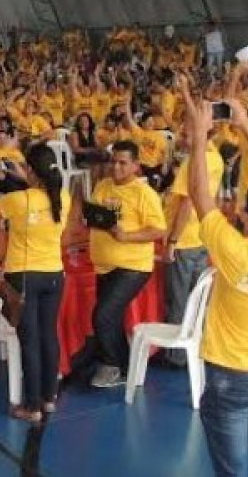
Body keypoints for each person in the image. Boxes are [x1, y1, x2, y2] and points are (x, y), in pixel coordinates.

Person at [184, 80, 248, 476]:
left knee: (234, 468)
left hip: (232, 372)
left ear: (245, 217)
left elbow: (200, 196)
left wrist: (198, 141)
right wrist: (244, 124)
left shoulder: (236, 252)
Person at [0, 143, 71, 421]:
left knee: (29, 340)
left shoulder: (19, 200)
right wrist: (25, 175)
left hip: (24, 277)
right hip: (54, 274)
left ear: (31, 170)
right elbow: (37, 193)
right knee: (48, 335)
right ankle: (49, 397)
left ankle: (31, 406)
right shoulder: (62, 197)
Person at [88, 140, 166, 387]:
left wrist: (127, 236)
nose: (117, 168)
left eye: (123, 163)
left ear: (135, 165)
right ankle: (124, 366)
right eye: (114, 162)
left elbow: (158, 230)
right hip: (104, 265)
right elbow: (96, 213)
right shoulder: (103, 185)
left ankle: (110, 365)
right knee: (111, 316)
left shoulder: (144, 194)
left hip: (133, 266)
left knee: (102, 316)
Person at [161, 76, 223, 367]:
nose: (182, 138)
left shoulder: (191, 163)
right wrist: (187, 93)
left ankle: (175, 355)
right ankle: (197, 344)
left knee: (179, 298)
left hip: (185, 238)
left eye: (186, 135)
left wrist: (172, 240)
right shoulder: (215, 157)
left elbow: (186, 202)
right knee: (197, 299)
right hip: (201, 237)